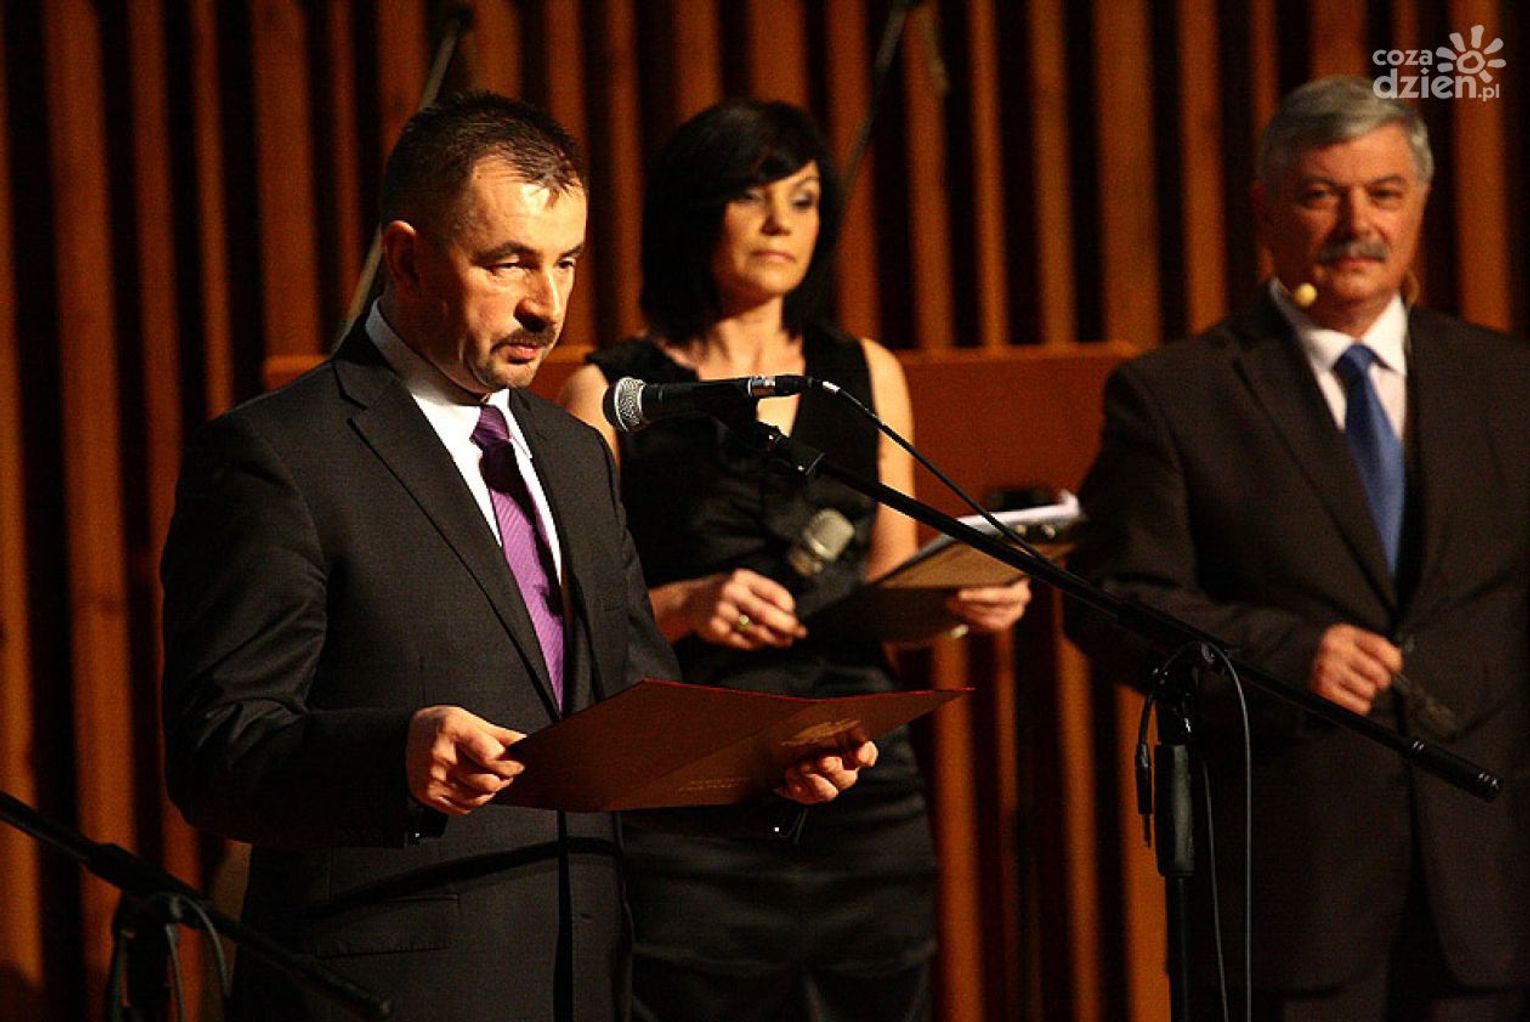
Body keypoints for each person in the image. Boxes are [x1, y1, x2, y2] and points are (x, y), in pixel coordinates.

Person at [159, 92, 873, 1022]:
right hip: (391, 990)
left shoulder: (573, 454)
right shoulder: (280, 455)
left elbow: (632, 719)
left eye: (565, 262)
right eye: (509, 263)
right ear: (406, 258)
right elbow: (218, 752)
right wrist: (395, 756)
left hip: (583, 981)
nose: (547, 304)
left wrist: (765, 770)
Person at [1066, 76, 1530, 1019]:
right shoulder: (1176, 395)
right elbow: (1113, 600)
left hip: (1491, 898)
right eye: (1322, 195)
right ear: (1264, 211)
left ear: (1420, 204)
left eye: (1384, 194)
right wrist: (1285, 657)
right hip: (1289, 906)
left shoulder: (1507, 380)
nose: (1358, 224)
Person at [560, 99, 1032, 1022]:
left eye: (805, 199)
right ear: (696, 210)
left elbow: (882, 589)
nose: (782, 222)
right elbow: (566, 622)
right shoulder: (610, 392)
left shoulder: (865, 372)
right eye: (753, 195)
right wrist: (686, 603)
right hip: (696, 793)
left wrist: (956, 599)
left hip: (860, 779)